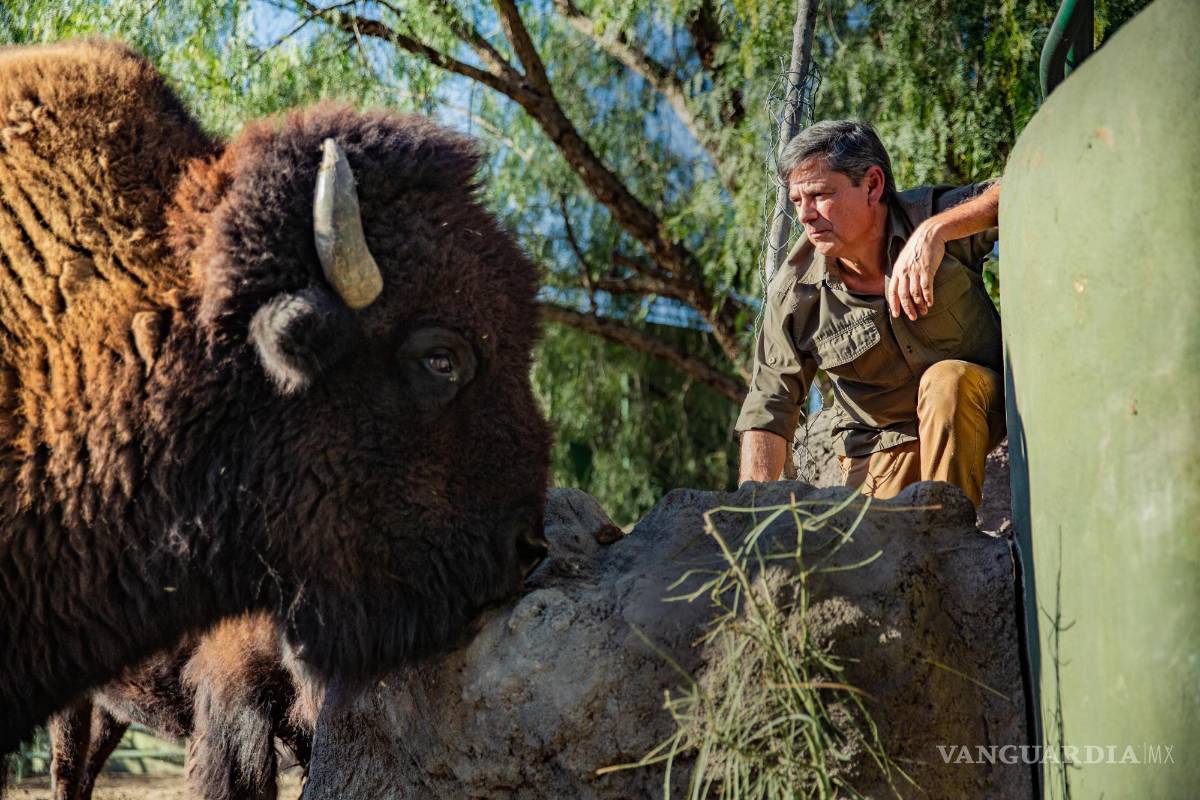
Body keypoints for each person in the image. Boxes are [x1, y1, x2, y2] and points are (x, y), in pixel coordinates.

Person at [735, 120, 1004, 507]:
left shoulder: (926, 216)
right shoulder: (795, 293)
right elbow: (770, 404)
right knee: (874, 555)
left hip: (979, 403)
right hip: (883, 441)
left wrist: (936, 232)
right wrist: (750, 511)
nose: (806, 216)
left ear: (873, 185)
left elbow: (1019, 188)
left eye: (820, 195)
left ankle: (948, 537)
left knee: (946, 382)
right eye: (797, 201)